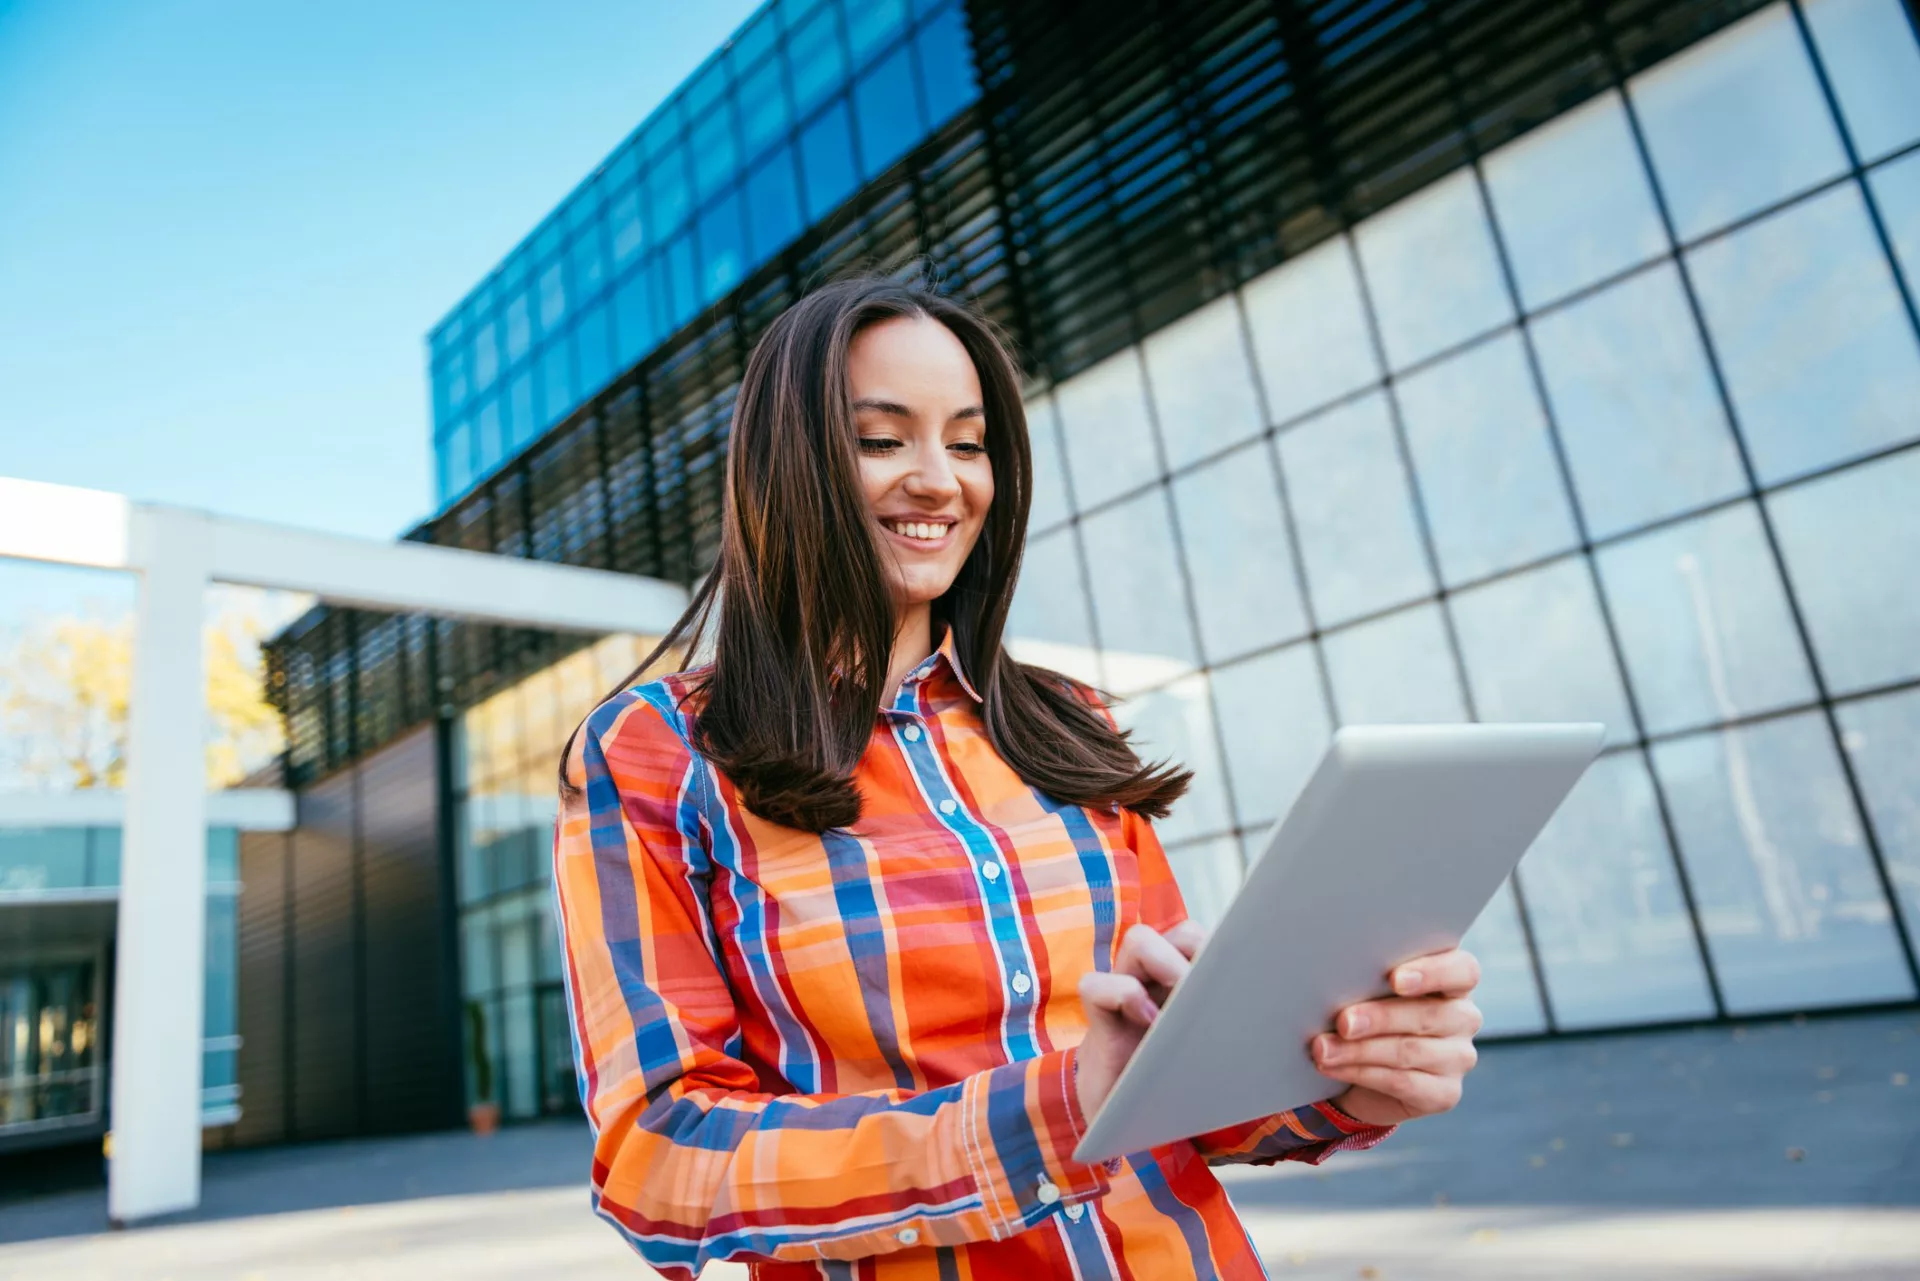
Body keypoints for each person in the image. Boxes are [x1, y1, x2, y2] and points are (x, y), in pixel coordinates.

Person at [552, 274, 1484, 1280]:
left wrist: (1353, 1083)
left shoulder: (1064, 722)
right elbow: (659, 1163)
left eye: (967, 441)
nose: (940, 480)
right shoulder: (657, 753)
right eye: (881, 439)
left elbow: (1181, 1093)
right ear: (790, 466)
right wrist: (1048, 1111)